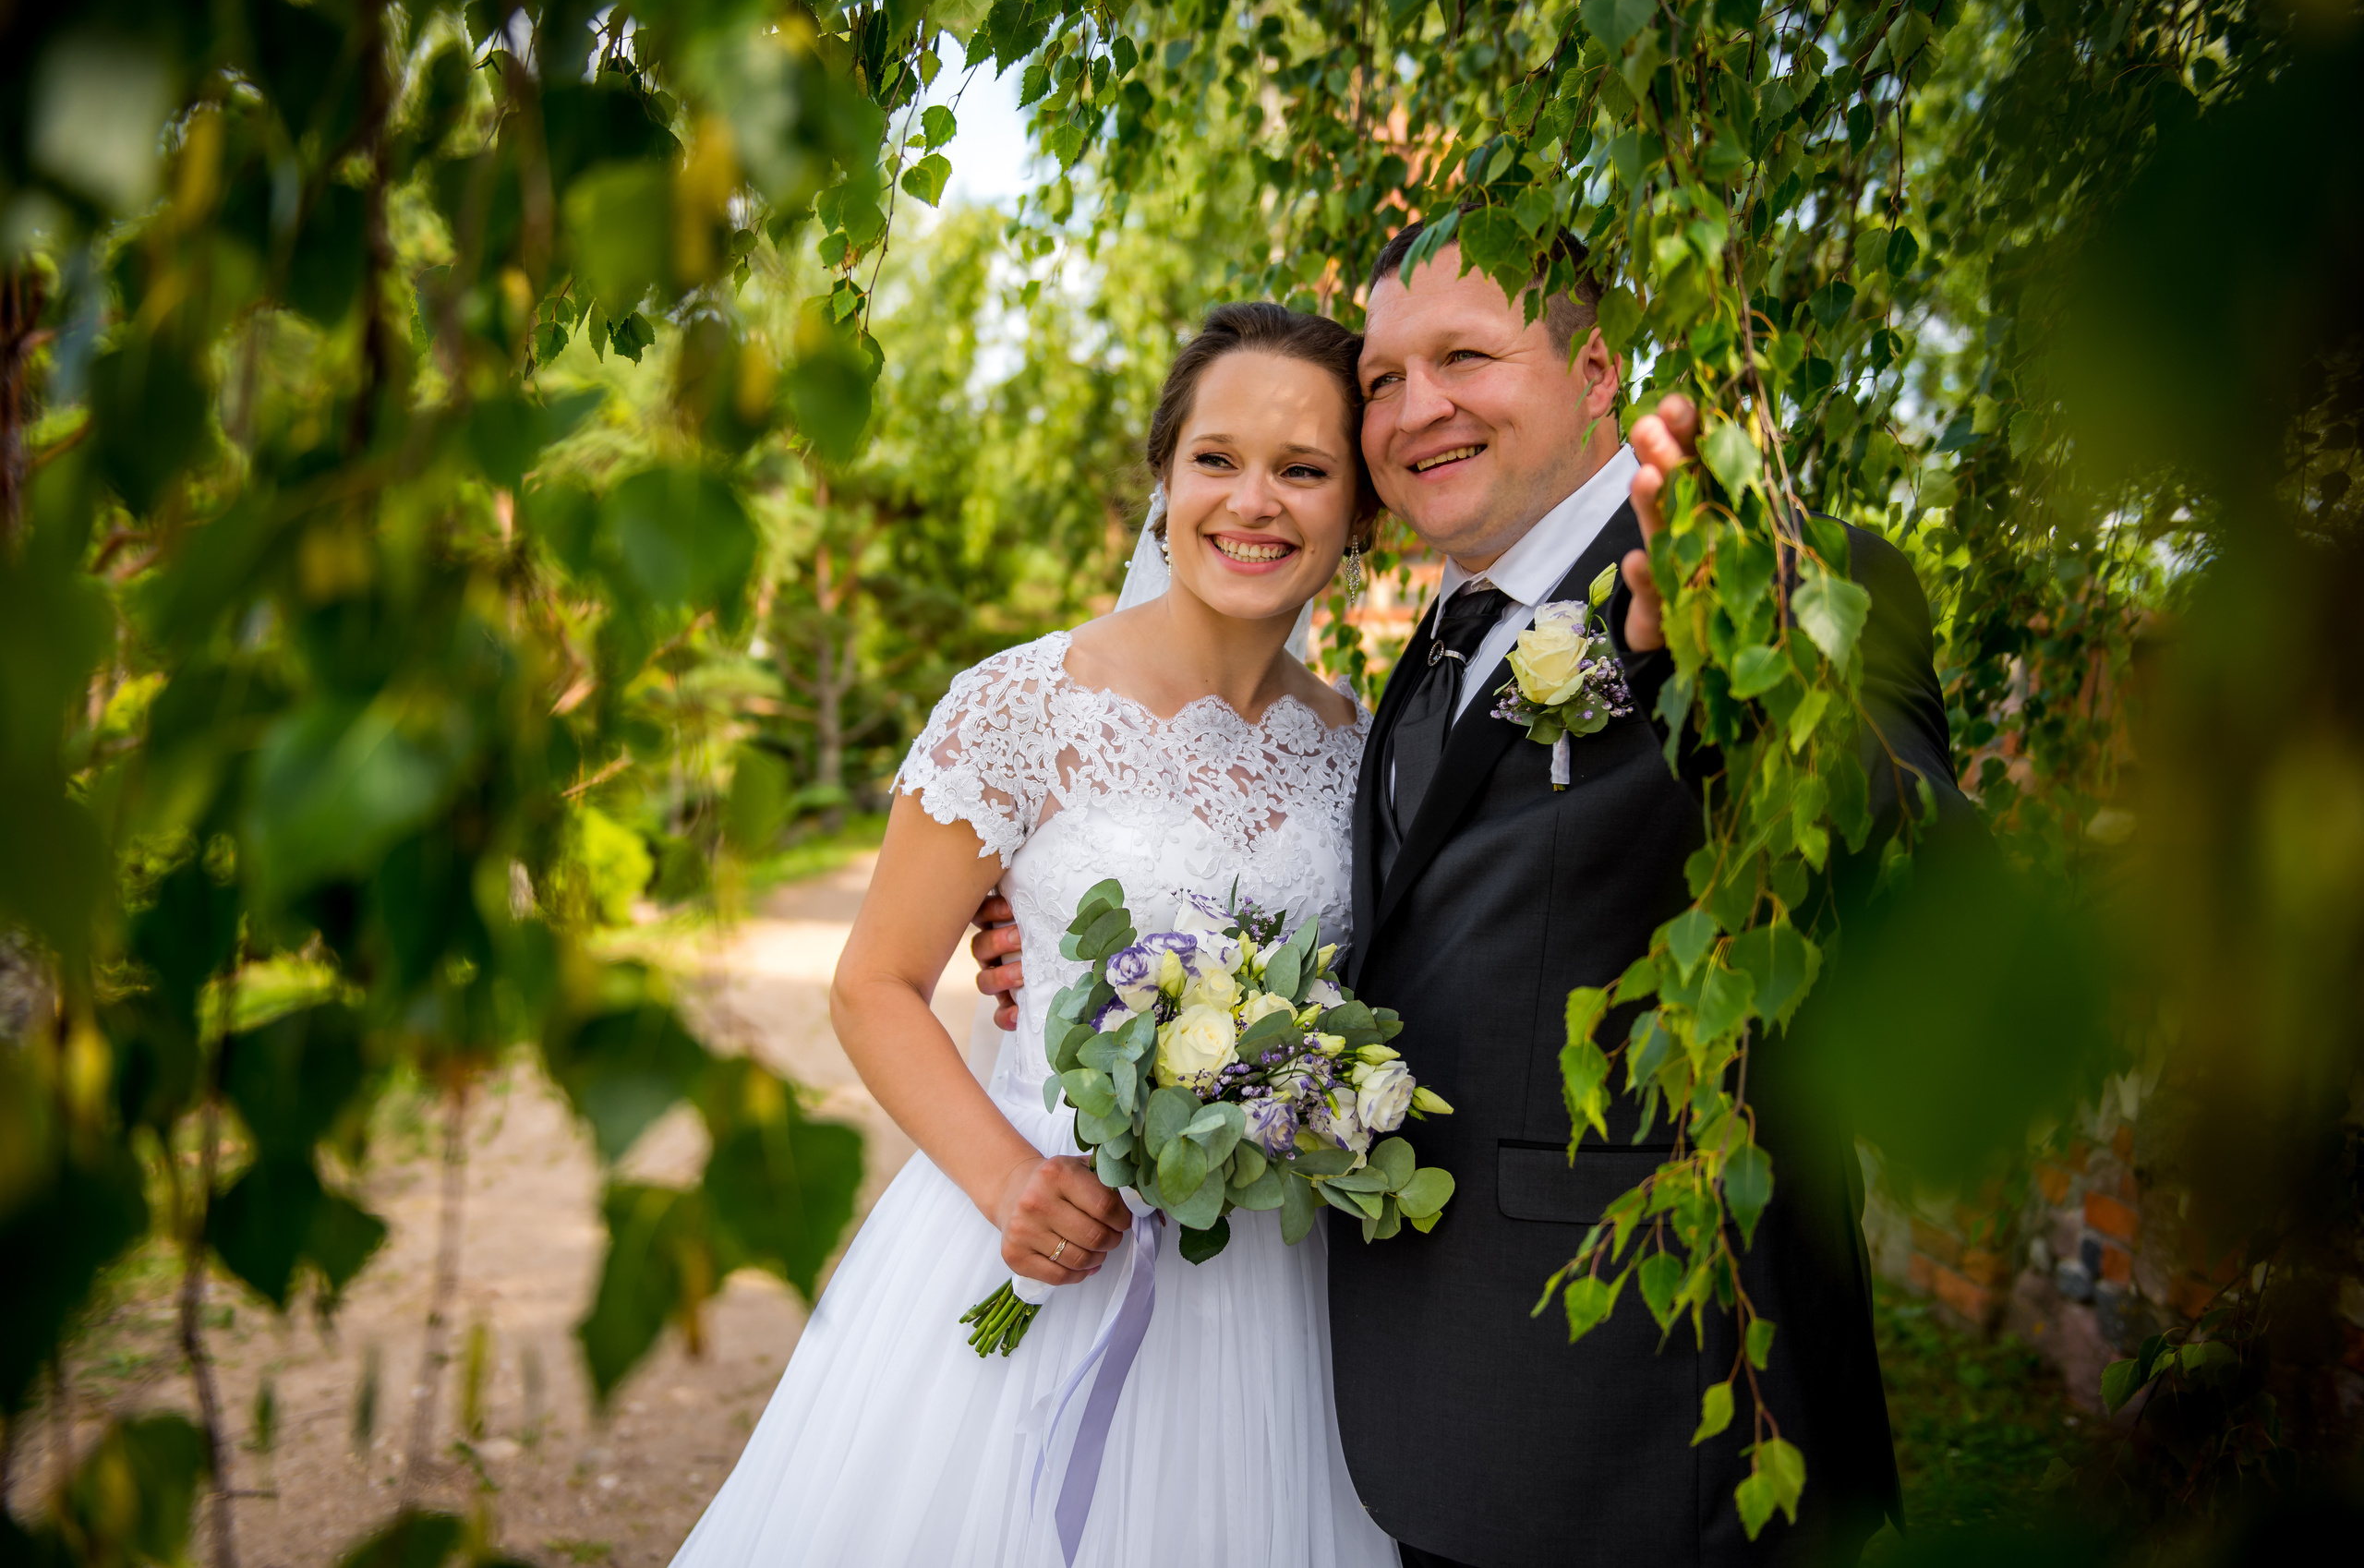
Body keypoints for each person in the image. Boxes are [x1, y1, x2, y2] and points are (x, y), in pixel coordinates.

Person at [974, 223, 1967, 1567]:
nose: (1415, 406)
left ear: (1597, 366)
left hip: (1662, 1432)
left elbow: (1926, 904)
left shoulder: (1782, 575)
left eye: (1465, 356)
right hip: (1429, 1422)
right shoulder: (1431, 651)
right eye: (1382, 377)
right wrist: (1064, 920)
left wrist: (1750, 681)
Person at [665, 302, 1398, 1568]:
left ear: (1359, 509)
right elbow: (875, 984)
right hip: (1040, 1235)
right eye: (1216, 457)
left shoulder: (1364, 746)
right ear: (1163, 482)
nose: (1253, 501)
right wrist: (1013, 1181)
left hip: (1283, 1282)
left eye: (1305, 468)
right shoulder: (1022, 705)